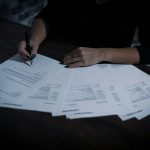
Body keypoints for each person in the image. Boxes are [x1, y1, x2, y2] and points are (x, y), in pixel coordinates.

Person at [17, 0, 150, 68]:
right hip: (57, 57)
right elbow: (48, 16)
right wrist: (35, 39)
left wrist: (101, 54)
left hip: (110, 65)